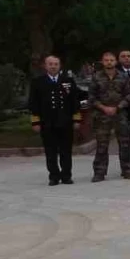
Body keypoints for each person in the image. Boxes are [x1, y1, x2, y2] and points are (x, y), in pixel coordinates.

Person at [28, 55, 83, 185]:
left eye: (56, 64)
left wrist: (76, 119)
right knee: (50, 151)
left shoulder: (68, 80)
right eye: (50, 64)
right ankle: (54, 176)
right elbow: (33, 103)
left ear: (60, 66)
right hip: (47, 122)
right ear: (45, 66)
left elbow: (75, 101)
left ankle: (66, 175)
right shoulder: (38, 82)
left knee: (66, 150)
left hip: (65, 122)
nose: (53, 66)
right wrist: (35, 122)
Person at [88, 51, 130, 182]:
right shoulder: (96, 77)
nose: (109, 62)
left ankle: (127, 170)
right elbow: (92, 97)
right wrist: (104, 108)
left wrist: (118, 107)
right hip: (102, 115)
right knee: (102, 145)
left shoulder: (123, 77)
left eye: (111, 60)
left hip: (120, 114)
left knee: (125, 144)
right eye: (106, 60)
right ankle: (99, 172)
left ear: (116, 62)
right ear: (102, 62)